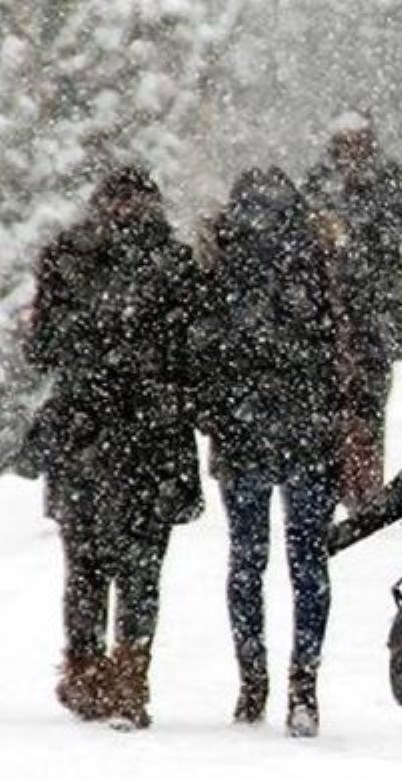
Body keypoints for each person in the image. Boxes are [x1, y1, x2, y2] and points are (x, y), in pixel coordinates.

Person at [23, 165, 206, 730]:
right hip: (152, 434)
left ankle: (86, 672)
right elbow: (191, 352)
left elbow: (42, 349)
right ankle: (130, 675)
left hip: (86, 432)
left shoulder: (69, 256)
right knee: (140, 567)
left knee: (84, 566)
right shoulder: (174, 264)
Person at [199, 167, 343, 735]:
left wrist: (216, 410)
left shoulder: (220, 262)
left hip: (244, 431)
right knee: (308, 562)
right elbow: (341, 348)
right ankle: (303, 683)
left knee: (247, 560)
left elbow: (205, 348)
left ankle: (252, 679)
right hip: (306, 429)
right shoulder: (316, 258)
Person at [303, 111, 402, 508]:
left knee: (371, 402)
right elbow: (302, 228)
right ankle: (333, 480)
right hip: (328, 307)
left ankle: (366, 486)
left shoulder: (391, 178)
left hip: (377, 307)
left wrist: (367, 221)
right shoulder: (319, 180)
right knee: (328, 401)